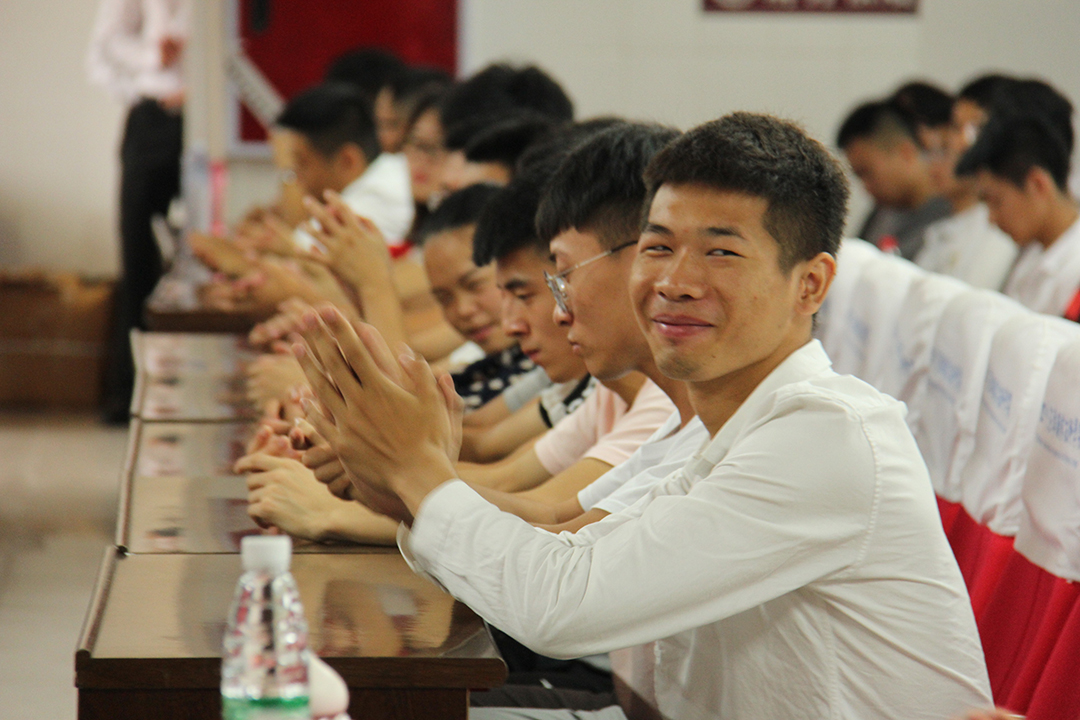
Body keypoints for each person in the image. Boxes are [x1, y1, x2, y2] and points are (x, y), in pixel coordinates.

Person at [294, 112, 992, 720]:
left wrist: (419, 474)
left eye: (721, 251)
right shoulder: (721, 425)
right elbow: (576, 548)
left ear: (809, 285)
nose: (673, 281)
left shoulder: (825, 435)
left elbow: (564, 607)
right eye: (657, 247)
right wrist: (401, 486)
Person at [88, 0, 188, 423]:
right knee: (137, 259)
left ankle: (185, 391)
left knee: (205, 251)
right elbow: (102, 51)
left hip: (214, 115)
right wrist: (151, 64)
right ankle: (129, 394)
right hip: (154, 116)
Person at [956, 113, 1080, 318]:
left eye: (996, 201)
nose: (991, 218)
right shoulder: (1030, 255)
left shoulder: (1074, 271)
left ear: (1037, 184)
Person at [276, 82, 415, 251]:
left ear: (347, 161)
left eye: (302, 163)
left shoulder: (379, 194)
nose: (297, 177)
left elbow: (302, 250)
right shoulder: (384, 174)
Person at [914, 86, 1018, 289]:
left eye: (973, 129)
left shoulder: (997, 230)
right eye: (956, 128)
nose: (959, 143)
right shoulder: (945, 223)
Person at [837, 97, 951, 259]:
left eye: (867, 172)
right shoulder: (880, 216)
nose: (866, 187)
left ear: (905, 152)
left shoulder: (953, 214)